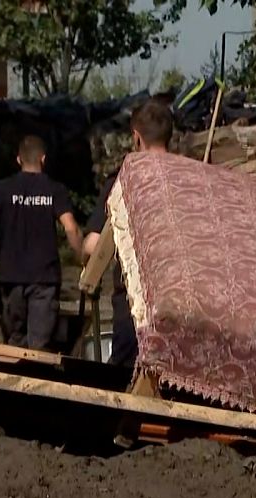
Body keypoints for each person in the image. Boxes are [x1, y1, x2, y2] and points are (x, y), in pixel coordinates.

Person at [82, 99, 173, 368]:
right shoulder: (191, 182)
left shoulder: (124, 182)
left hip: (134, 312)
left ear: (136, 137)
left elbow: (92, 245)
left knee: (123, 389)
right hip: (186, 314)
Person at [0, 135, 83, 350]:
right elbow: (71, 227)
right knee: (40, 346)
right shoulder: (55, 190)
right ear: (43, 159)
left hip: (11, 276)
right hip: (45, 278)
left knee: (14, 344)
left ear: (19, 160)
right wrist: (83, 260)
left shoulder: (1, 189)